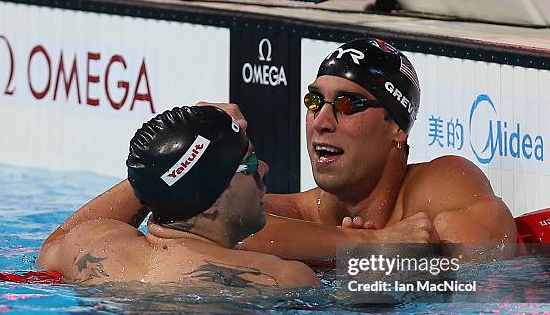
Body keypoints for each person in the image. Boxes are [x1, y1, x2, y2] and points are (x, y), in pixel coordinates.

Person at [203, 38, 516, 262]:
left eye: (348, 104)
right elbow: (202, 220)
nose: (321, 122)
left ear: (396, 125)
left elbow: (489, 246)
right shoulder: (301, 215)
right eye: (314, 101)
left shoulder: (439, 185)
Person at [37, 105, 320, 287]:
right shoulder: (282, 279)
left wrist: (156, 170)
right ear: (210, 202)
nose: (265, 169)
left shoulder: (90, 242)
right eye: (250, 164)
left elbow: (50, 247)